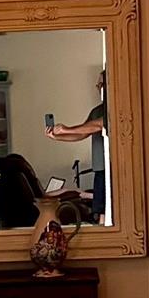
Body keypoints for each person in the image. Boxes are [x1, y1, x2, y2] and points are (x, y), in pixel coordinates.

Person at [46, 70, 108, 222]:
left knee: (109, 212)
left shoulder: (115, 108)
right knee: (101, 212)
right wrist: (57, 137)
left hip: (113, 168)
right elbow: (82, 133)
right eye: (98, 85)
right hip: (100, 169)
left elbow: (98, 126)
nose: (99, 87)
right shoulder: (97, 110)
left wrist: (66, 129)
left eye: (101, 84)